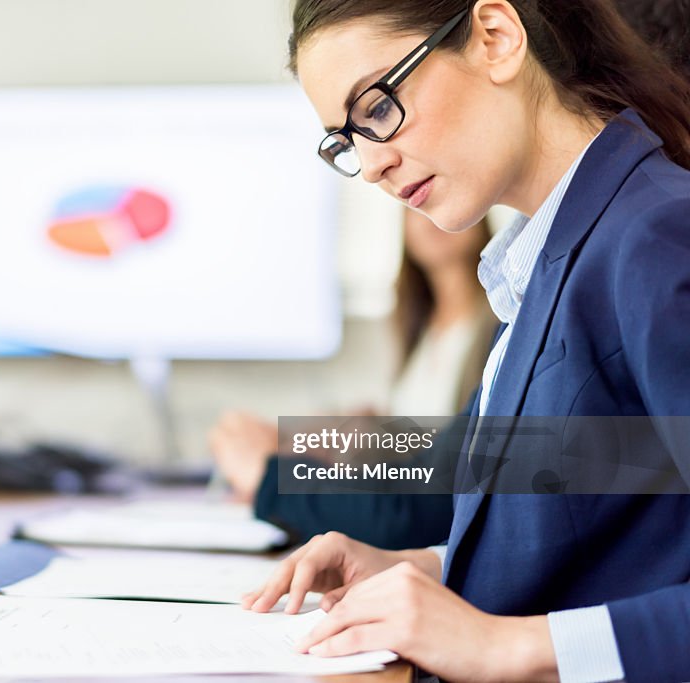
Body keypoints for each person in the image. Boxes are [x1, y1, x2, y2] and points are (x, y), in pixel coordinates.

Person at [242, 1, 690, 681]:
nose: (369, 164)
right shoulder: (549, 263)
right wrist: (428, 564)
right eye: (345, 139)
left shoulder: (656, 237)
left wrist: (501, 646)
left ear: (497, 38)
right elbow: (625, 532)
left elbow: (426, 471)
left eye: (378, 107)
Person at [210, 208, 498, 548]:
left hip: (430, 517)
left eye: (440, 207)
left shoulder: (498, 319)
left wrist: (355, 440)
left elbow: (442, 455)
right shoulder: (414, 323)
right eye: (415, 213)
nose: (430, 221)